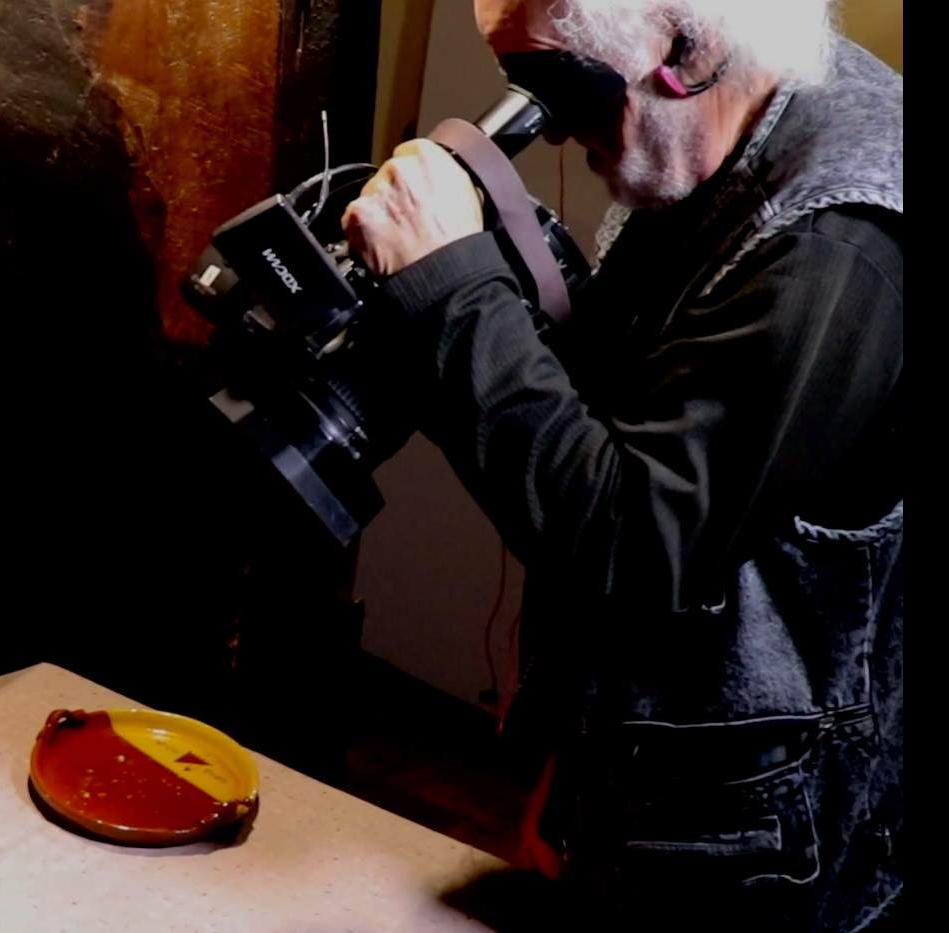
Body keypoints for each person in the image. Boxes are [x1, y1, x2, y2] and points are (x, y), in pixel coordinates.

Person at [341, 0, 900, 928]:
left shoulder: (833, 248)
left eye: (564, 85)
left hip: (757, 853)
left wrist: (451, 291)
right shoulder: (748, 118)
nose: (551, 122)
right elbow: (636, 404)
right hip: (647, 762)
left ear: (690, 44)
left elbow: (635, 546)